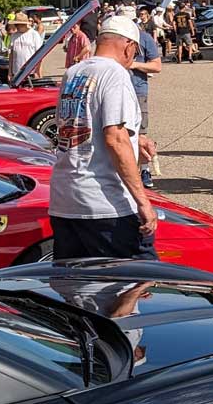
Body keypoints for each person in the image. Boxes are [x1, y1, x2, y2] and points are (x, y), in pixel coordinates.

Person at [49, 15, 158, 259]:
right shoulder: (116, 75)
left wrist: (135, 139)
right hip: (105, 204)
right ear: (129, 46)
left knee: (78, 287)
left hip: (66, 198)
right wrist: (142, 201)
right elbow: (115, 139)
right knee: (136, 280)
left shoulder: (74, 72)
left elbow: (76, 123)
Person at [131, 5, 164, 186]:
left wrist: (134, 65)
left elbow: (156, 66)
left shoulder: (144, 39)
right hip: (115, 91)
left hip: (138, 90)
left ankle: (145, 171)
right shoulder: (113, 40)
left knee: (140, 133)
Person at [7, 12, 44, 77]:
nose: (16, 26)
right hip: (16, 73)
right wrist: (9, 72)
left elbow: (39, 55)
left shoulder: (34, 34)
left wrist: (38, 72)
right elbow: (11, 55)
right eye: (15, 24)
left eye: (17, 24)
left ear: (23, 24)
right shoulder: (14, 36)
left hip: (30, 73)